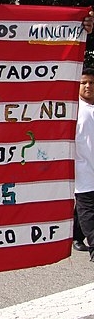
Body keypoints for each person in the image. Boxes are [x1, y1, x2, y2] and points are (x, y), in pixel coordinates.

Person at [74, 67, 94, 262]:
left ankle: (76, 235)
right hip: (81, 168)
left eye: (91, 82)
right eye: (84, 82)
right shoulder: (74, 110)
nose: (88, 86)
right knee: (87, 208)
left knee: (84, 207)